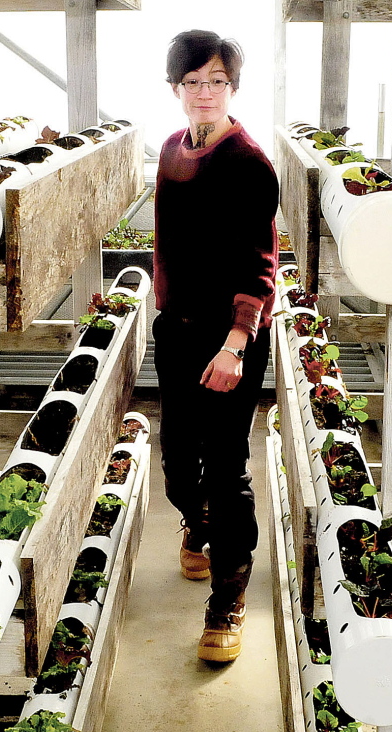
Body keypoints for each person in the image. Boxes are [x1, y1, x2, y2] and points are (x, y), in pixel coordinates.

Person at [152, 29, 279, 663]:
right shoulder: (174, 149)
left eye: (217, 82)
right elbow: (167, 243)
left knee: (226, 468)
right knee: (177, 461)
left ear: (233, 87)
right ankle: (195, 520)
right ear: (176, 89)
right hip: (175, 330)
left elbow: (260, 264)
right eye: (193, 82)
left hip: (229, 337)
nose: (205, 93)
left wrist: (235, 343)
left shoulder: (247, 162)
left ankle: (229, 597)